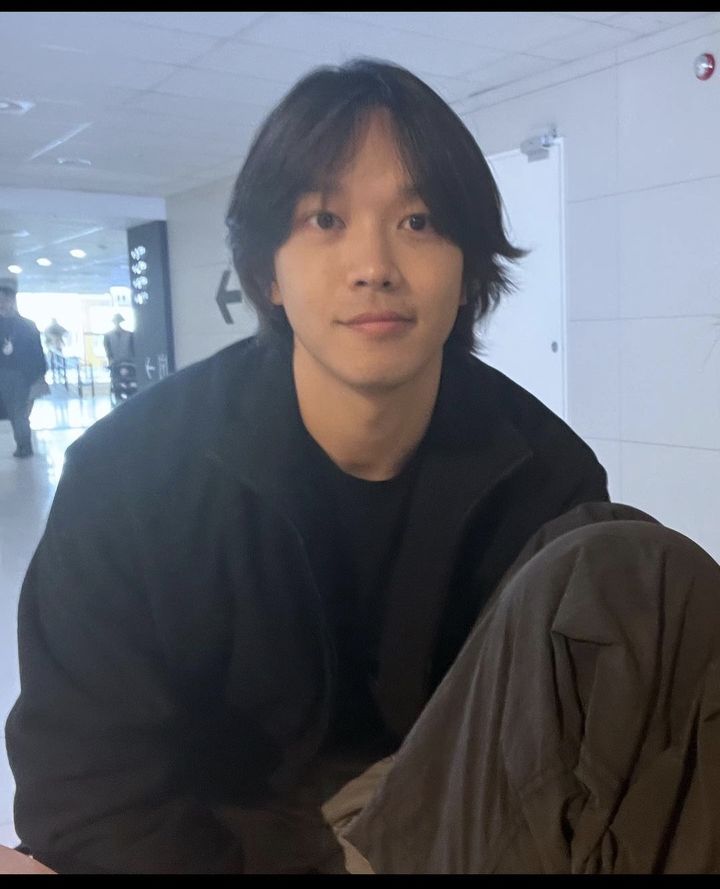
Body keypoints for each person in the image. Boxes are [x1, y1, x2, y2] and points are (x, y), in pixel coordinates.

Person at [5, 59, 719, 875]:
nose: (374, 264)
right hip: (230, 852)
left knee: (641, 570)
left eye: (419, 221)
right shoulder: (131, 477)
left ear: (468, 269)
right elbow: (85, 797)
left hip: (456, 828)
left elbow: (585, 745)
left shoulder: (543, 474)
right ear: (268, 271)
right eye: (325, 219)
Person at [0, 282, 47, 458]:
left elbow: (37, 352)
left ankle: (24, 445)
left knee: (19, 410)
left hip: (21, 375)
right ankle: (22, 444)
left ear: (12, 300)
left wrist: (37, 374)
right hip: (3, 373)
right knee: (13, 411)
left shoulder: (27, 325)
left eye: (4, 300)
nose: (1, 303)